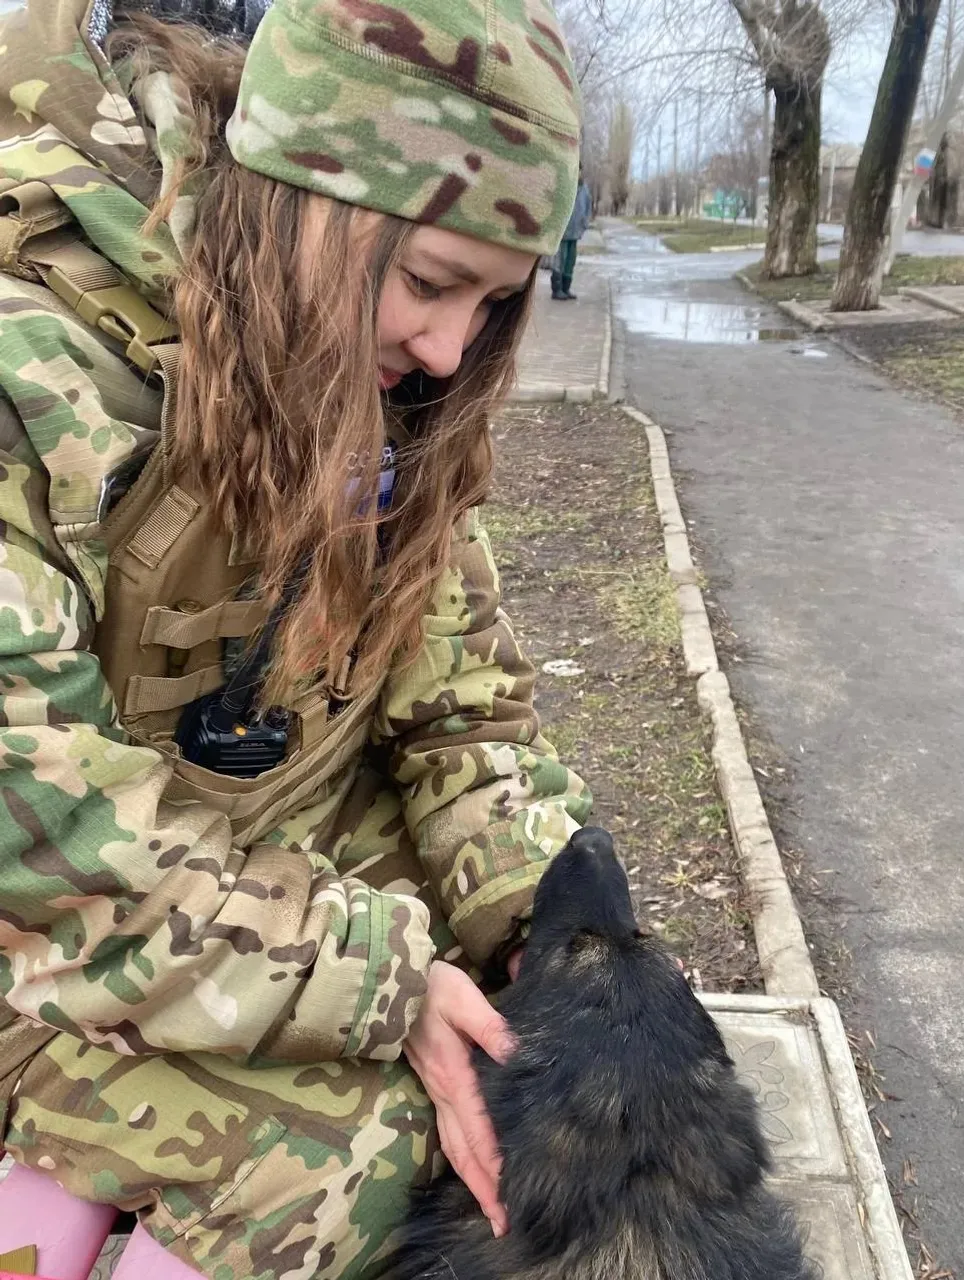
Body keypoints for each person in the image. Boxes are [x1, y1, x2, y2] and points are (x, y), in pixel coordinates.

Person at [0, 1, 590, 1277]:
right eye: (428, 281)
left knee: (522, 1087)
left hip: (250, 866)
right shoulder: (34, 372)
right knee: (349, 1167)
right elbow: (55, 856)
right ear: (299, 208)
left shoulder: (390, 384)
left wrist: (565, 931)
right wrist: (391, 988)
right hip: (52, 924)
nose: (447, 346)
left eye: (491, 304)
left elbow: (460, 703)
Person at [550, 168, 592, 300]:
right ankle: (557, 290)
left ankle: (566, 288)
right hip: (562, 232)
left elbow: (588, 206)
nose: (577, 173)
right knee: (559, 261)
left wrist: (584, 224)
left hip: (575, 232)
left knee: (570, 261)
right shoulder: (564, 184)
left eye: (579, 170)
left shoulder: (584, 188)